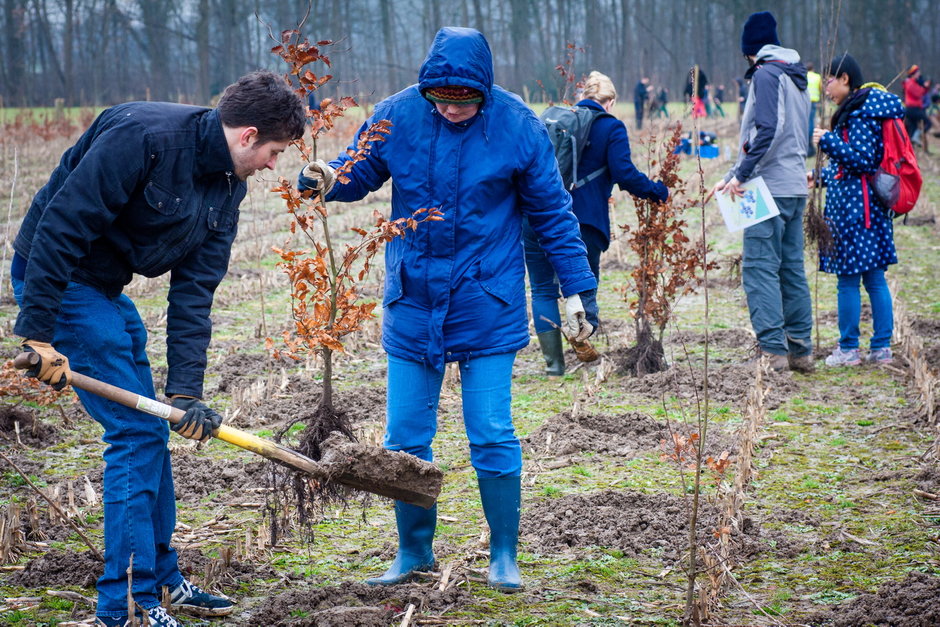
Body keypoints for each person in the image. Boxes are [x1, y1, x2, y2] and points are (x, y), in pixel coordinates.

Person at [297, 27, 598, 592]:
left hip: (488, 300)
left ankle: (503, 553)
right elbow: (356, 170)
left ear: (485, 91)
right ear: (426, 91)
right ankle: (414, 552)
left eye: (466, 101)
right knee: (405, 435)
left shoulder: (517, 125)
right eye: (443, 101)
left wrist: (578, 289)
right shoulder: (398, 114)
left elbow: (554, 215)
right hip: (413, 299)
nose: (455, 110)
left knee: (490, 430)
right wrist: (326, 180)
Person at [11, 71, 306, 626]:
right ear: (246, 136)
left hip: (103, 286)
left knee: (154, 423)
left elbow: (195, 292)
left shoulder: (227, 187)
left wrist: (185, 393)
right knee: (135, 430)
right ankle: (127, 604)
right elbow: (61, 227)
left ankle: (164, 581)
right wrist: (39, 333)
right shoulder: (143, 138)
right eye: (274, 151)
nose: (274, 164)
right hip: (60, 278)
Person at [523, 71, 667, 375]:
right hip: (582, 221)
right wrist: (657, 192)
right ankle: (583, 351)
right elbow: (625, 173)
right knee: (580, 286)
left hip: (536, 215)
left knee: (542, 289)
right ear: (610, 101)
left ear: (582, 96)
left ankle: (554, 366)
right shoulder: (611, 127)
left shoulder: (555, 121)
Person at [710, 11, 814, 373]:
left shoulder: (767, 75)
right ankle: (801, 349)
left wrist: (740, 175)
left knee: (758, 268)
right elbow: (789, 138)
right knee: (791, 269)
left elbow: (768, 130)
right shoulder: (797, 78)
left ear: (750, 53)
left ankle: (773, 351)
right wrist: (732, 173)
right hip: (794, 186)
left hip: (766, 188)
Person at [811, 54, 901, 366]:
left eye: (829, 82)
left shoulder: (861, 113)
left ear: (845, 79)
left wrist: (828, 141)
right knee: (874, 279)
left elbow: (863, 160)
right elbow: (846, 169)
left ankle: (849, 349)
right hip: (864, 208)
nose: (826, 89)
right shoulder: (862, 109)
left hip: (856, 212)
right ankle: (880, 348)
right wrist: (819, 178)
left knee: (850, 280)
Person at [903, 65, 932, 150]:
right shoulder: (910, 83)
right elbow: (918, 94)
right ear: (913, 74)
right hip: (913, 109)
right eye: (917, 73)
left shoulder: (913, 82)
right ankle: (917, 137)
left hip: (913, 109)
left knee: (913, 128)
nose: (919, 74)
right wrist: (925, 86)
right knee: (928, 123)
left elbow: (922, 93)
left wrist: (925, 87)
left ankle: (910, 146)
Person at [806, 62, 822, 156]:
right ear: (813, 69)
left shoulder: (804, 75)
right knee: (811, 122)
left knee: (805, 121)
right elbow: (821, 88)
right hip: (813, 101)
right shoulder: (817, 77)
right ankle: (809, 143)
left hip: (804, 102)